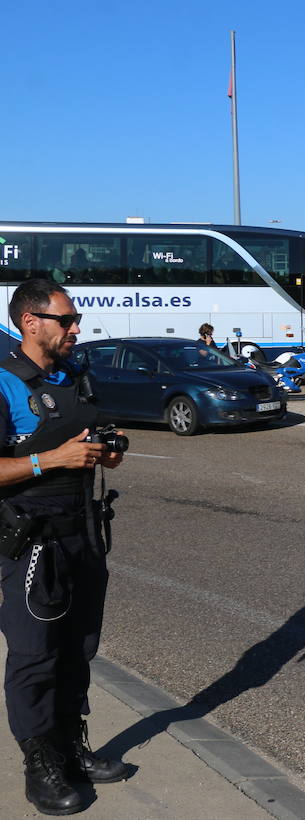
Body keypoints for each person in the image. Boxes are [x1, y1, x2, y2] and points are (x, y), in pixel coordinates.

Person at [0, 279, 129, 814]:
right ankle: (40, 761)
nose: (77, 328)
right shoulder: (6, 382)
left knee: (80, 647)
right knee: (35, 654)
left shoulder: (74, 374)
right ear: (31, 323)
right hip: (31, 538)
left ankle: (70, 745)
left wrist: (109, 452)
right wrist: (48, 461)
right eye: (66, 320)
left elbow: (91, 433)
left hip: (83, 530)